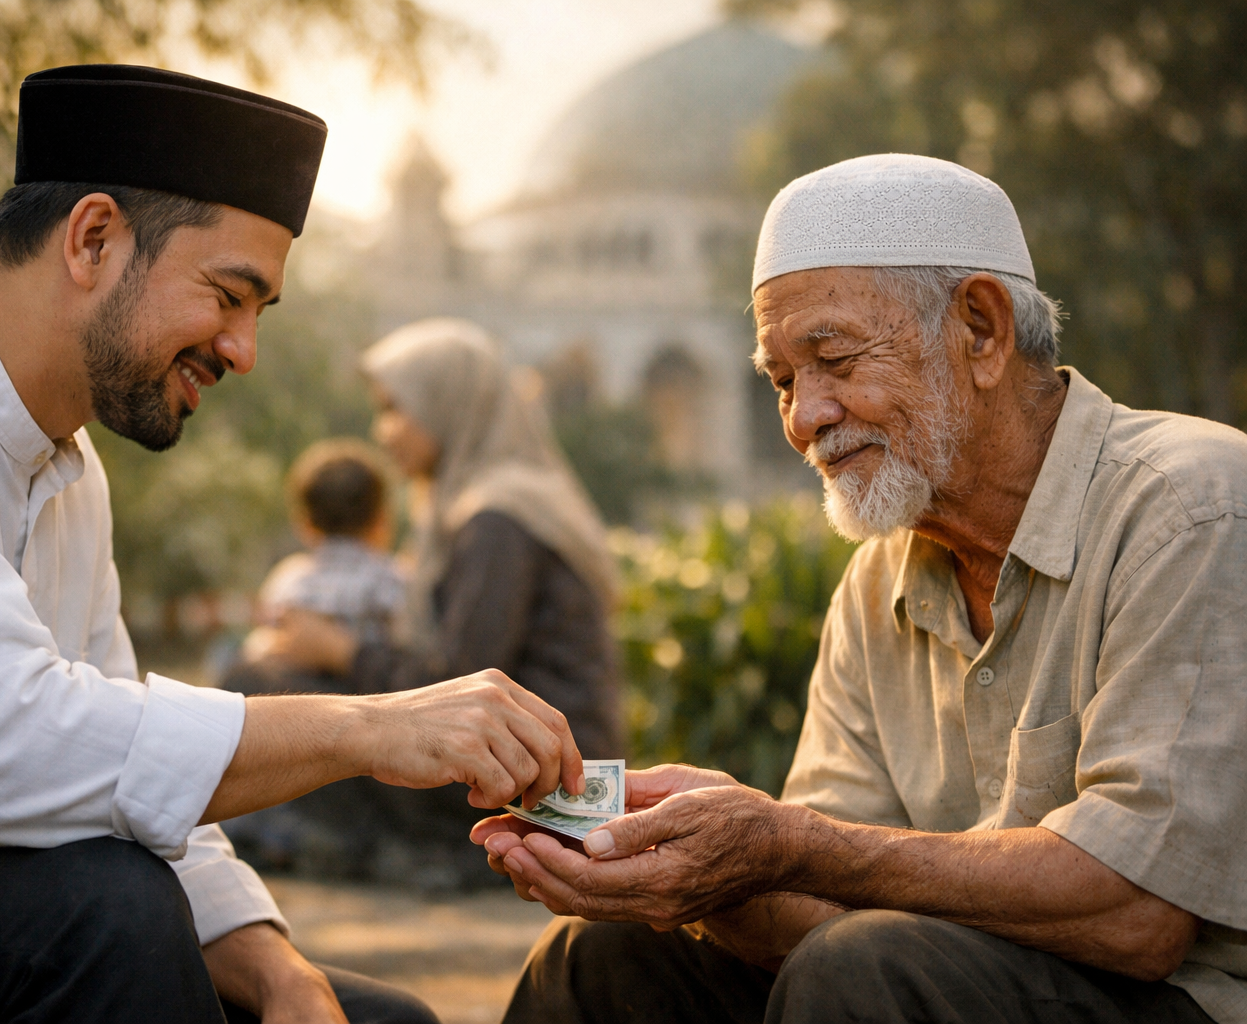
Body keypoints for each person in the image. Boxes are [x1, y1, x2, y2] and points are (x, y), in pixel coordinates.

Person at [0, 65, 586, 1023]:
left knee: (375, 1017)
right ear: (92, 239)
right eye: (228, 295)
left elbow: (129, 779)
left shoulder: (70, 474)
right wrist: (361, 726)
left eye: (259, 313)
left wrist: (283, 977)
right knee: (103, 911)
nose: (244, 350)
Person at [475, 154, 1247, 1024]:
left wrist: (791, 842)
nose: (806, 416)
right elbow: (815, 901)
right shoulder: (880, 577)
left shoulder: (1195, 510)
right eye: (780, 382)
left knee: (867, 967)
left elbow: (1136, 915)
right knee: (605, 957)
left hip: (1177, 1001)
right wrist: (693, 869)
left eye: (833, 359)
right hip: (935, 973)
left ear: (983, 331)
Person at [253, 317, 622, 886]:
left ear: (450, 405)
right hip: (538, 776)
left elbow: (457, 678)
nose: (383, 431)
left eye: (397, 409)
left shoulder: (498, 520)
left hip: (549, 796)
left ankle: (403, 851)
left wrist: (337, 648)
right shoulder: (485, 508)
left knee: (258, 684)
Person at [246, 438, 405, 658]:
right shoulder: (393, 579)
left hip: (296, 689)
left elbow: (262, 644)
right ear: (381, 518)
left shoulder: (287, 582)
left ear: (305, 524)